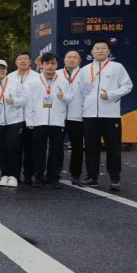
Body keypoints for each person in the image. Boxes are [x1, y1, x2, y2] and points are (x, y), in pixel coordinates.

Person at [79, 39, 133, 191]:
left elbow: (127, 86)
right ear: (92, 52)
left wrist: (111, 95)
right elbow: (83, 90)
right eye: (97, 48)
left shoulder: (117, 67)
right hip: (90, 115)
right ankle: (92, 177)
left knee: (113, 147)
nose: (100, 51)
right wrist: (86, 103)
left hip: (110, 114)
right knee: (91, 147)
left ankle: (115, 178)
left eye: (104, 48)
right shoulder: (86, 69)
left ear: (109, 51)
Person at [25, 53, 72, 188]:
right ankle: (38, 177)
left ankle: (53, 177)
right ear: (42, 65)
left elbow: (70, 98)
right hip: (38, 121)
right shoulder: (34, 82)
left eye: (53, 63)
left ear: (57, 65)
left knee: (56, 151)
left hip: (57, 121)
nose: (50, 66)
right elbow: (29, 103)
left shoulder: (63, 81)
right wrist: (29, 121)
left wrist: (63, 97)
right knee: (38, 151)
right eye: (47, 63)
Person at [0, 60, 26, 187]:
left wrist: (15, 101)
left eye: (3, 68)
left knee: (13, 148)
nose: (0, 70)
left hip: (14, 121)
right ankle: (4, 174)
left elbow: (25, 99)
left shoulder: (15, 82)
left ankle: (14, 175)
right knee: (1, 149)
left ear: (6, 70)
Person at [7, 52, 40, 184]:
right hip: (15, 119)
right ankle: (14, 174)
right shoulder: (9, 77)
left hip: (32, 118)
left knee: (30, 148)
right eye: (19, 59)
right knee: (15, 148)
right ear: (15, 62)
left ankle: (28, 174)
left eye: (25, 59)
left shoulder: (37, 77)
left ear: (30, 62)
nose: (22, 61)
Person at [59, 50, 85, 184]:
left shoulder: (86, 74)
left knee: (77, 147)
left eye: (75, 57)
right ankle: (55, 173)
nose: (72, 59)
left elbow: (88, 92)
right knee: (57, 146)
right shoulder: (57, 74)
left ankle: (76, 175)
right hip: (59, 116)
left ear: (80, 61)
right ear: (64, 59)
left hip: (77, 116)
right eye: (69, 57)